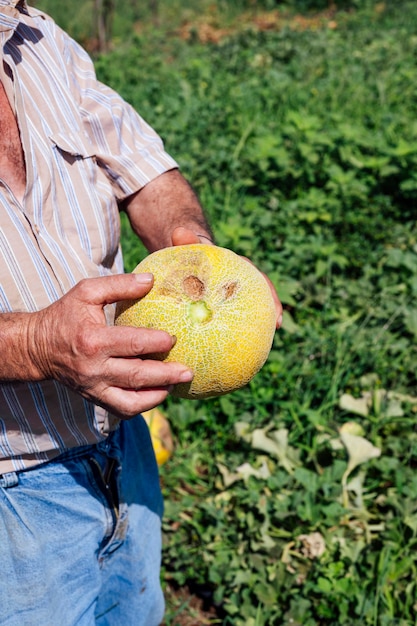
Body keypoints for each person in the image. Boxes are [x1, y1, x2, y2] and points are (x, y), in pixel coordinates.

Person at [0, 1, 283, 624]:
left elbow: (145, 172)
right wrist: (37, 341)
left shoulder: (34, 36)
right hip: (12, 494)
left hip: (122, 444)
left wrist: (199, 255)